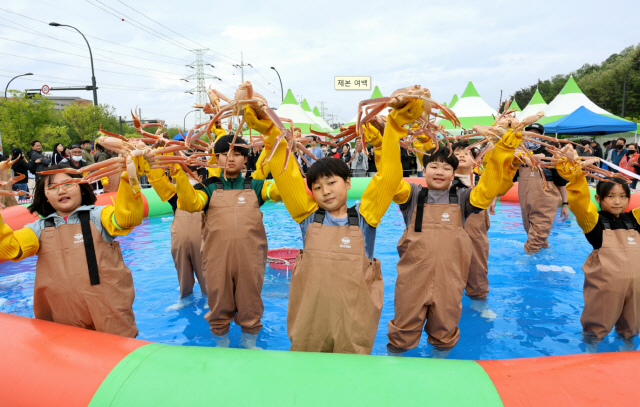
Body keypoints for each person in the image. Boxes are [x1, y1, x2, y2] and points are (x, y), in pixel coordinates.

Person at [242, 99, 415, 354]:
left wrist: (392, 131)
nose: (325, 191)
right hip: (311, 319)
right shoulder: (308, 217)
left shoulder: (366, 217)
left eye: (331, 183)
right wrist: (270, 132)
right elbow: (286, 174)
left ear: (347, 182)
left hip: (353, 319)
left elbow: (387, 177)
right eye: (317, 187)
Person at [387, 127, 521, 358]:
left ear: (453, 174)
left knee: (445, 332)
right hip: (412, 280)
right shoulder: (411, 194)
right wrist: (385, 143)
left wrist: (503, 151)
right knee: (402, 332)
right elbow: (389, 178)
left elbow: (487, 189)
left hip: (449, 281)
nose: (440, 172)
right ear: (424, 169)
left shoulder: (462, 198)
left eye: (446, 168)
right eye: (434, 166)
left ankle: (440, 370)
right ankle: (396, 368)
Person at [161, 134, 281, 349]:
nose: (231, 158)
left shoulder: (256, 186)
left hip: (250, 259)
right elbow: (191, 204)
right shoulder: (208, 187)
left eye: (237, 153)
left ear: (246, 158)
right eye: (225, 154)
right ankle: (221, 342)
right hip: (217, 260)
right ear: (217, 159)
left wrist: (281, 154)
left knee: (250, 301)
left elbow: (278, 192)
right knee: (218, 302)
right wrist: (178, 171)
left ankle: (250, 341)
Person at [0, 164, 143, 337]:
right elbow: (10, 248)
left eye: (68, 184)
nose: (61, 191)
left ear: (82, 188)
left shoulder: (100, 216)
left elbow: (126, 218)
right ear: (45, 196)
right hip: (61, 317)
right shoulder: (37, 229)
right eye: (52, 187)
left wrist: (131, 178)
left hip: (109, 313)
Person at [555, 157, 640, 351]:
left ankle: (627, 350)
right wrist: (576, 178)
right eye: (610, 196)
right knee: (596, 326)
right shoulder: (594, 222)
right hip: (606, 287)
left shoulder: (635, 220)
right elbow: (581, 204)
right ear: (598, 199)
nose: (617, 201)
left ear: (629, 198)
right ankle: (590, 351)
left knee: (632, 326)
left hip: (636, 288)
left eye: (622, 196)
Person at [451, 142, 494, 318]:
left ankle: (479, 302)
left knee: (477, 266)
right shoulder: (444, 179)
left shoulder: (482, 181)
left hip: (476, 233)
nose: (461, 155)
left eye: (466, 153)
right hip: (452, 230)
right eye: (457, 153)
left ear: (475, 160)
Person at [516, 123, 569, 254]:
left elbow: (561, 182)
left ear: (542, 136)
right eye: (529, 133)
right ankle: (544, 257)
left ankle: (526, 261)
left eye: (537, 134)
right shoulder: (519, 156)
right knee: (532, 232)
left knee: (537, 234)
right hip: (526, 199)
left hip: (546, 199)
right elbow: (507, 178)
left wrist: (565, 204)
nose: (533, 137)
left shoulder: (551, 155)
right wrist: (495, 198)